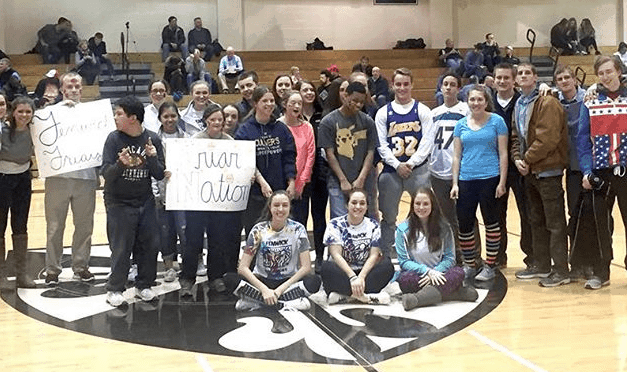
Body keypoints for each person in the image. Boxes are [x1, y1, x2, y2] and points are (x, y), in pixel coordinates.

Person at [101, 96, 165, 307]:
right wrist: (121, 164)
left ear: (133, 118)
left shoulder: (152, 139)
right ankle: (115, 289)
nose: (115, 117)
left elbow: (158, 174)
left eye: (119, 113)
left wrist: (153, 158)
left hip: (145, 200)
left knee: (150, 244)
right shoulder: (113, 139)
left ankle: (144, 285)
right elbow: (106, 175)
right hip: (118, 201)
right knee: (121, 246)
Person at [511, 63, 569, 287]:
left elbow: (548, 138)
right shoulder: (519, 103)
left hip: (548, 170)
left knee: (555, 223)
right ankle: (542, 265)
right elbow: (516, 135)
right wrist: (518, 159)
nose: (523, 76)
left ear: (535, 78)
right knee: (536, 220)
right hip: (530, 171)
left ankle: (561, 270)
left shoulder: (548, 101)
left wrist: (526, 159)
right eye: (520, 74)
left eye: (528, 73)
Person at [180, 104, 243, 296]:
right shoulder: (195, 141)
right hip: (197, 201)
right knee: (193, 240)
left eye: (220, 120)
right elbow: (185, 167)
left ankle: (215, 276)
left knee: (217, 239)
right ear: (206, 120)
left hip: (219, 200)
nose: (217, 123)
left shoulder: (229, 141)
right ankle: (187, 278)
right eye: (213, 119)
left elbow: (237, 168)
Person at [576, 55, 627, 289]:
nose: (606, 77)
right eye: (601, 73)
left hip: (625, 171)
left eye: (609, 71)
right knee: (600, 225)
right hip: (600, 173)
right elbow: (583, 140)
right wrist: (587, 171)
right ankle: (601, 271)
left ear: (618, 71)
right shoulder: (591, 101)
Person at [44, 73, 98, 286]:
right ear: (62, 89)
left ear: (82, 89)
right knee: (54, 226)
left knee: (85, 225)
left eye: (77, 86)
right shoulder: (49, 113)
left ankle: (81, 266)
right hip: (57, 177)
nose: (74, 89)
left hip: (85, 177)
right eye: (70, 86)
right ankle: (52, 269)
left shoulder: (93, 114)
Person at [450, 85, 508, 282]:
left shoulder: (497, 122)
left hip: (490, 178)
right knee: (465, 224)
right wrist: (455, 183)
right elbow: (457, 156)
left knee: (492, 223)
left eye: (479, 99)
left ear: (486, 101)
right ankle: (469, 264)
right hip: (466, 180)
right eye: (472, 99)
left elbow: (503, 153)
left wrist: (502, 181)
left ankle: (490, 265)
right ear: (467, 101)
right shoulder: (461, 125)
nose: (475, 103)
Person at [376, 68, 434, 257]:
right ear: (392, 85)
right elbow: (381, 144)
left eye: (406, 84)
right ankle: (385, 254)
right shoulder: (383, 112)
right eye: (398, 84)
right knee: (388, 217)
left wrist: (411, 163)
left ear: (412, 85)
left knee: (424, 213)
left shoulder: (423, 110)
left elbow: (427, 141)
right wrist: (397, 165)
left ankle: (425, 252)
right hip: (391, 171)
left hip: (418, 170)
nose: (402, 88)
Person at [234, 190, 321, 311]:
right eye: (276, 205)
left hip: (287, 282)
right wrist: (264, 289)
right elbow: (243, 268)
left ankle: (258, 301)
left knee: (314, 281)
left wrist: (280, 290)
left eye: (285, 205)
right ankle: (286, 302)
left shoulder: (298, 229)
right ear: (269, 207)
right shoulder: (258, 230)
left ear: (290, 207)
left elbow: (306, 267)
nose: (280, 209)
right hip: (262, 280)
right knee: (230, 279)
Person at [396, 187, 479, 310]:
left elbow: (450, 258)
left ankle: (416, 299)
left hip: (441, 273)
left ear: (432, 205)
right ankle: (453, 293)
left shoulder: (444, 228)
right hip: (417, 275)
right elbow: (404, 261)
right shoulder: (402, 229)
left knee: (458, 273)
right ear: (412, 205)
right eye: (417, 204)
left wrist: (436, 272)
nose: (421, 207)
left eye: (425, 204)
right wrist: (427, 272)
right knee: (405, 280)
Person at [234, 85, 296, 237]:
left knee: (280, 231)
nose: (269, 104)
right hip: (254, 192)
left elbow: (289, 156)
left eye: (272, 101)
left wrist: (291, 181)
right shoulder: (244, 130)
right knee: (255, 232)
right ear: (255, 104)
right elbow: (244, 159)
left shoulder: (281, 128)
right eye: (264, 101)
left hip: (278, 189)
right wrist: (261, 182)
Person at [321, 189, 393, 305]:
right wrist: (353, 278)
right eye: (354, 203)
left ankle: (348, 296)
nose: (358, 207)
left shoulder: (373, 225)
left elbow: (374, 255)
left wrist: (361, 277)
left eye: (362, 203)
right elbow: (336, 255)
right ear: (347, 205)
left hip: (364, 273)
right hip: (344, 272)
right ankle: (367, 297)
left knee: (387, 267)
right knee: (326, 268)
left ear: (366, 207)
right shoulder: (335, 224)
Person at [319, 82, 378, 219]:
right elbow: (330, 154)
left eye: (362, 102)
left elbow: (370, 152)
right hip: (338, 180)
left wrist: (361, 178)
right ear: (345, 96)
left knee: (366, 219)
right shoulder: (328, 122)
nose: (358, 105)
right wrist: (343, 180)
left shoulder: (368, 122)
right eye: (355, 101)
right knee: (340, 220)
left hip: (363, 179)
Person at [549, 66, 586, 279]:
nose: (564, 81)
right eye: (560, 78)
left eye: (567, 77)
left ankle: (591, 262)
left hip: (586, 164)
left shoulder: (588, 98)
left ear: (575, 80)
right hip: (567, 165)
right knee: (573, 213)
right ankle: (576, 262)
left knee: (590, 215)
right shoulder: (555, 102)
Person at [491, 63, 528, 269]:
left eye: (506, 78)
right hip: (494, 167)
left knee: (527, 212)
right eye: (499, 78)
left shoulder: (523, 101)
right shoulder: (488, 103)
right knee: (497, 214)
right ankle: (498, 256)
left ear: (514, 80)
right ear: (493, 79)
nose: (502, 81)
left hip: (520, 165)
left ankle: (531, 256)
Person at [429, 73, 469, 260]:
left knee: (465, 214)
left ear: (458, 89)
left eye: (453, 84)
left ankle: (471, 254)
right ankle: (453, 253)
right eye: (445, 84)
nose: (448, 87)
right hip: (437, 172)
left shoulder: (466, 111)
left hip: (460, 171)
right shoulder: (434, 113)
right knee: (446, 216)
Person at [0, 96, 36, 289]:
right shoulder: (2, 130)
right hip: (2, 179)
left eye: (28, 112)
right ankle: (1, 276)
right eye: (20, 111)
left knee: (20, 226)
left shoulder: (36, 130)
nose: (24, 115)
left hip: (23, 180)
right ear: (13, 112)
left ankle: (22, 274)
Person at [294, 80, 328, 270]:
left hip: (320, 173)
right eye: (304, 90)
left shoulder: (322, 114)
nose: (308, 93)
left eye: (311, 90)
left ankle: (321, 257)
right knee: (300, 217)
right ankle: (301, 258)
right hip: (300, 175)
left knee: (319, 216)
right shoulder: (293, 117)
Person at [152, 102, 187, 283]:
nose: (170, 119)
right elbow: (152, 169)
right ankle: (169, 267)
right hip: (163, 194)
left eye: (173, 116)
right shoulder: (153, 140)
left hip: (184, 194)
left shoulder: (188, 138)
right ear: (160, 119)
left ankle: (190, 263)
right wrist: (156, 192)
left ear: (178, 117)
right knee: (165, 232)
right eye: (166, 116)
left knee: (184, 229)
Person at [278, 91, 315, 226]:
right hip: (281, 183)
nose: (297, 106)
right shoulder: (277, 126)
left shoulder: (307, 127)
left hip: (302, 184)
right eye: (293, 103)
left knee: (300, 222)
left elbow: (310, 156)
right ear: (284, 104)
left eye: (300, 103)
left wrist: (300, 183)